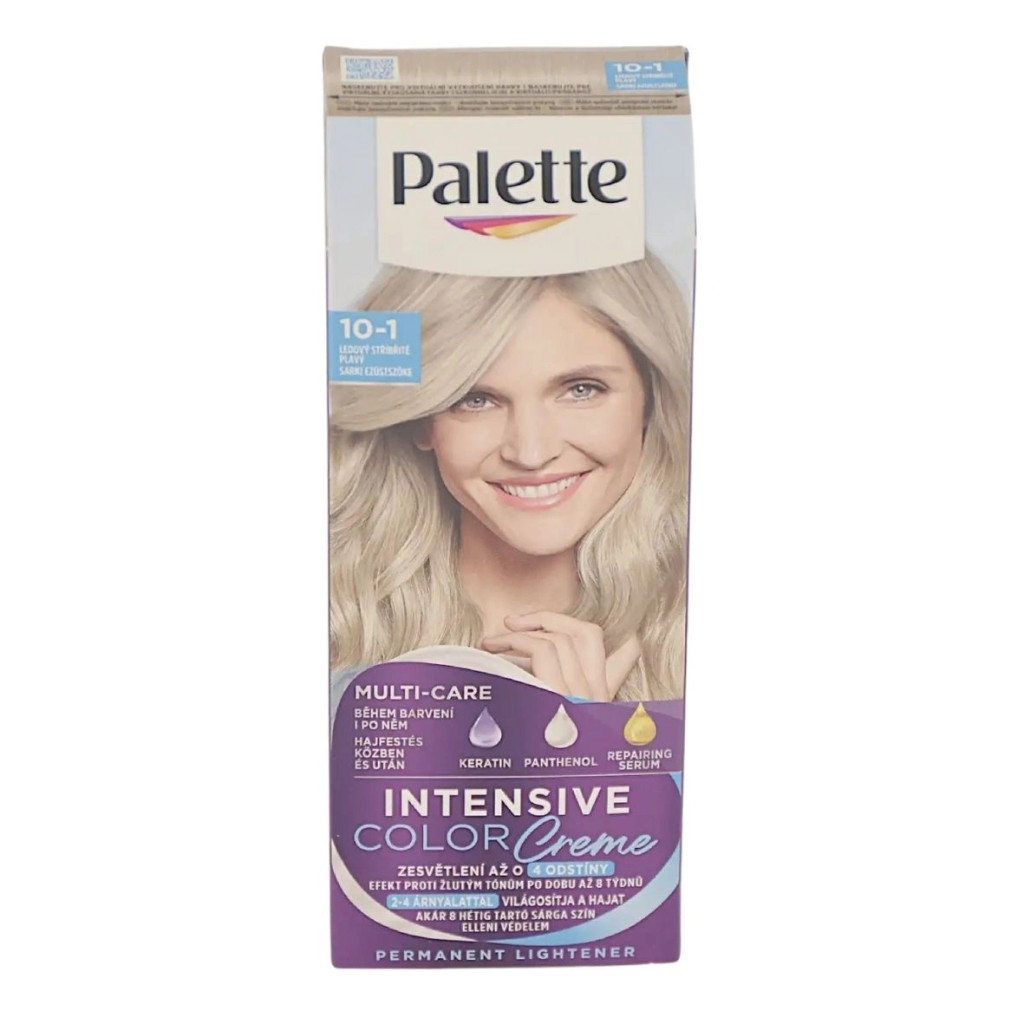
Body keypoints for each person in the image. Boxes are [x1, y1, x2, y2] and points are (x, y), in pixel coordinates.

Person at [329, 253, 691, 701]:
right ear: (421, 420)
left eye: (581, 390)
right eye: (476, 399)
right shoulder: (333, 627)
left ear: (651, 400)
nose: (531, 453)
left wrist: (585, 731)